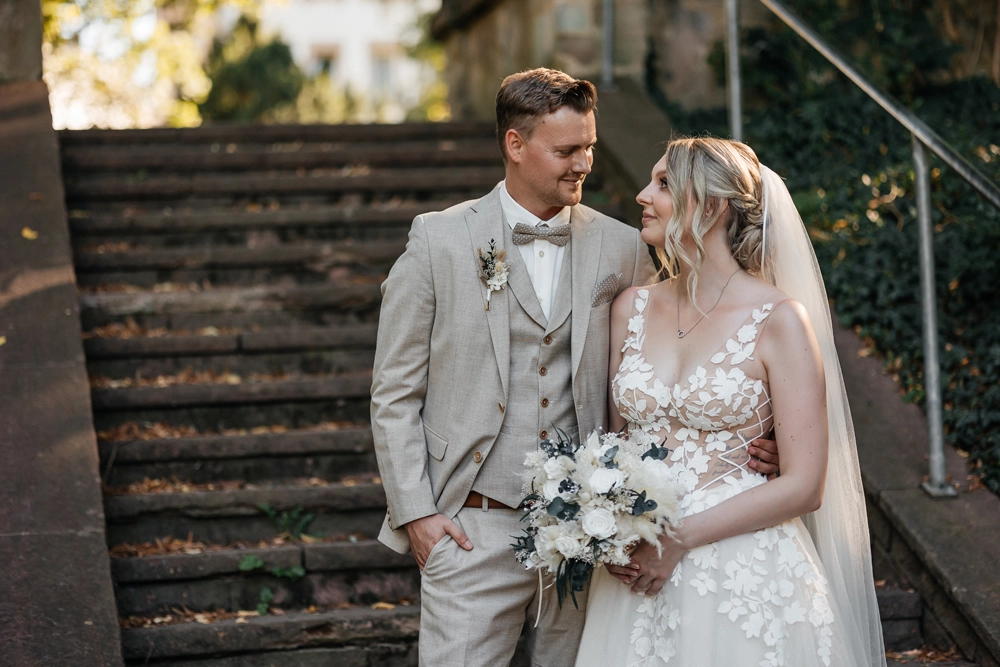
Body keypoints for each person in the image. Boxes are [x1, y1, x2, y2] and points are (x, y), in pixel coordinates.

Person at [371, 69, 781, 667]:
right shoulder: (439, 240)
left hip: (593, 537)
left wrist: (750, 436)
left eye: (589, 146)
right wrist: (419, 516)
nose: (584, 163)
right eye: (566, 150)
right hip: (471, 524)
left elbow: (673, 362)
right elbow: (394, 392)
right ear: (515, 145)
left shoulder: (622, 246)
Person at [574, 137, 886, 667]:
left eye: (665, 184)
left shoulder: (779, 320)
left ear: (712, 206)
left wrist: (678, 539)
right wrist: (612, 523)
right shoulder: (630, 307)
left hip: (743, 567)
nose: (642, 195)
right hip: (637, 572)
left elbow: (805, 485)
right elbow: (615, 450)